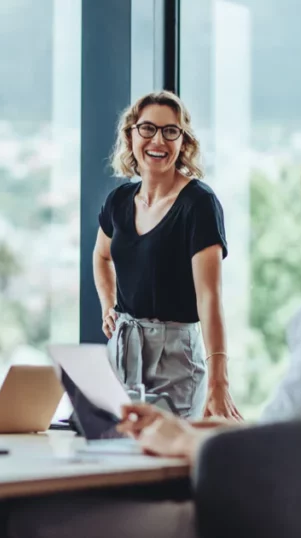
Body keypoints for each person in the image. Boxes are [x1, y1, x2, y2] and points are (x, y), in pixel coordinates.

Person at [9, 135, 301, 538]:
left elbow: (281, 452)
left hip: (276, 521)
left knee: (37, 522)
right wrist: (190, 426)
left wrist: (179, 440)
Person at [95, 90, 240, 420]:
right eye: (147, 128)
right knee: (116, 457)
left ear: (183, 141)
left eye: (170, 131)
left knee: (167, 463)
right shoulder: (118, 201)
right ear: (131, 135)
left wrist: (219, 381)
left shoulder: (199, 204)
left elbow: (209, 297)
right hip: (122, 349)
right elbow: (102, 256)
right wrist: (108, 305)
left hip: (175, 357)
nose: (157, 140)